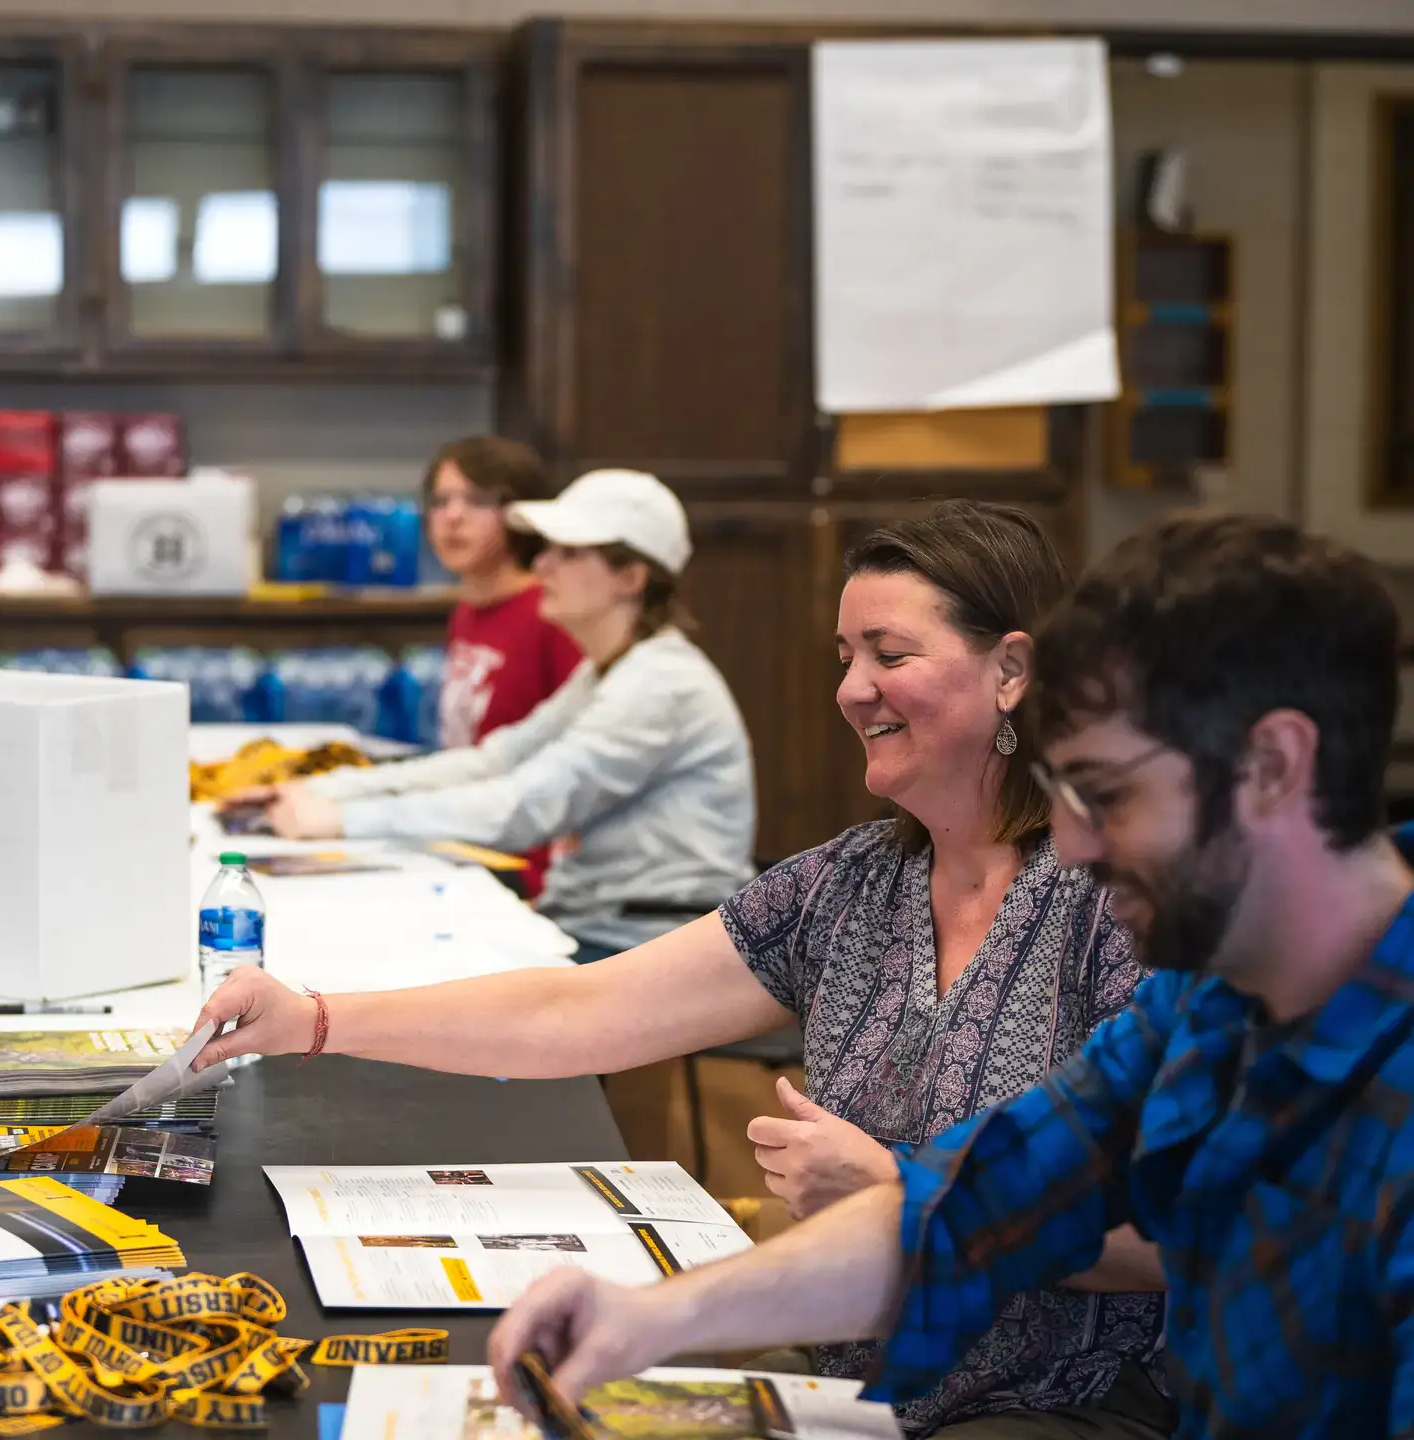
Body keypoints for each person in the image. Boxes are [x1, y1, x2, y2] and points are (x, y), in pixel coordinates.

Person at [194, 500, 1169, 1435]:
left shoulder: (1113, 908)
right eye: (845, 657)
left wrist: (900, 1187)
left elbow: (1168, 1239)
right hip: (857, 1400)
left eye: (890, 654)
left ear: (1011, 670)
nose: (851, 689)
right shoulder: (850, 884)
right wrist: (314, 1018)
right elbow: (583, 1009)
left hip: (1052, 1404)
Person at [485, 510, 1414, 1439]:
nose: (1078, 843)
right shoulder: (1200, 1004)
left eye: (1112, 794)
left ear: (1272, 764)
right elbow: (967, 1208)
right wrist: (652, 1316)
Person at [234, 469, 756, 962]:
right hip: (605, 921)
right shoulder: (614, 670)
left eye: (569, 553)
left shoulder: (659, 684)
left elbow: (523, 806)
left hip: (650, 942)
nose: (542, 566)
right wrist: (330, 791)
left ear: (632, 576)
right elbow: (495, 761)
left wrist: (341, 819)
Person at [421, 436, 583, 896]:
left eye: (477, 500)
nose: (453, 516)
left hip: (526, 862)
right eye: (441, 500)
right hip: (467, 838)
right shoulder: (468, 611)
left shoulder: (550, 613)